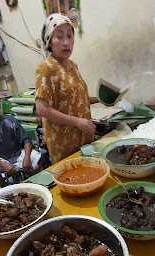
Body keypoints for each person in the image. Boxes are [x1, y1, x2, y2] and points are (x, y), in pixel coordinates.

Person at [35, 13, 95, 163]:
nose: (66, 42)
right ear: (49, 41)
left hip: (83, 138)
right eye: (59, 37)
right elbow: (42, 109)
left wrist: (102, 100)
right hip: (64, 143)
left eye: (69, 36)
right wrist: (78, 122)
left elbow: (76, 97)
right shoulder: (46, 68)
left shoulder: (72, 65)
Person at [0, 93, 41, 187]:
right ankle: (7, 189)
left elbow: (26, 140)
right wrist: (4, 165)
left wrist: (27, 157)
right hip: (0, 158)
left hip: (18, 153)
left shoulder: (10, 121)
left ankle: (33, 180)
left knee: (39, 159)